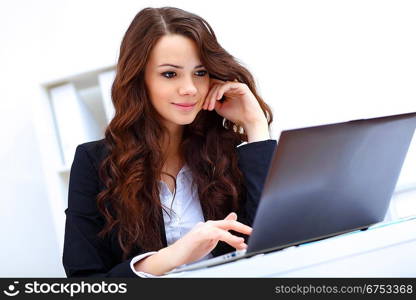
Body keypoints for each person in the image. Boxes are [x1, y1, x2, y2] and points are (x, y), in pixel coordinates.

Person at [62, 6, 276, 277]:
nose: (189, 88)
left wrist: (255, 125)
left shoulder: (227, 152)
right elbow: (84, 280)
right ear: (140, 79)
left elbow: (277, 244)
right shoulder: (96, 163)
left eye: (200, 73)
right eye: (170, 74)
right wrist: (170, 258)